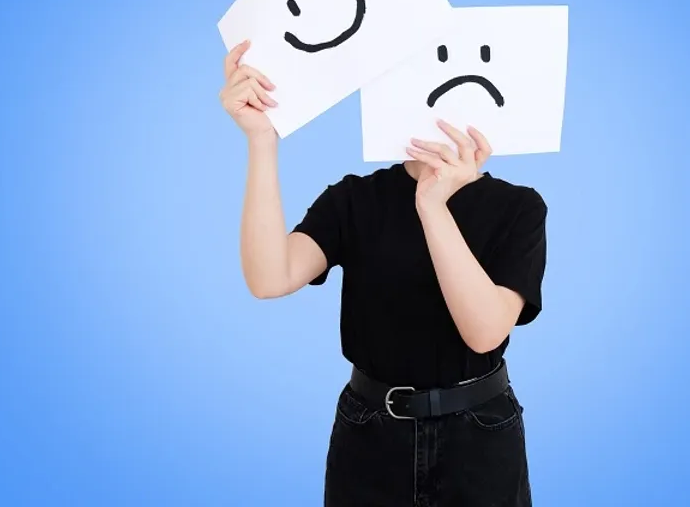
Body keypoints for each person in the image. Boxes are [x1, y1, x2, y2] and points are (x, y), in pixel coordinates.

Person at [220, 40, 548, 506]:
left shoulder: (519, 208)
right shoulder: (355, 199)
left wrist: (433, 206)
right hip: (370, 429)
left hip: (479, 431)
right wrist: (260, 140)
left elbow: (485, 333)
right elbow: (270, 277)